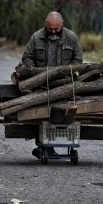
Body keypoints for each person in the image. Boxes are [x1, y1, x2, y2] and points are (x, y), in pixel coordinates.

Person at [21, 11, 83, 159]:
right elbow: (27, 58)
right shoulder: (36, 37)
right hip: (41, 85)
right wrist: (36, 76)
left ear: (62, 23)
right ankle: (44, 145)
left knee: (62, 112)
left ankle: (51, 145)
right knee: (42, 113)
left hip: (64, 84)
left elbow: (78, 60)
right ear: (45, 24)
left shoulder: (71, 38)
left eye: (56, 28)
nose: (53, 31)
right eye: (50, 29)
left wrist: (66, 74)